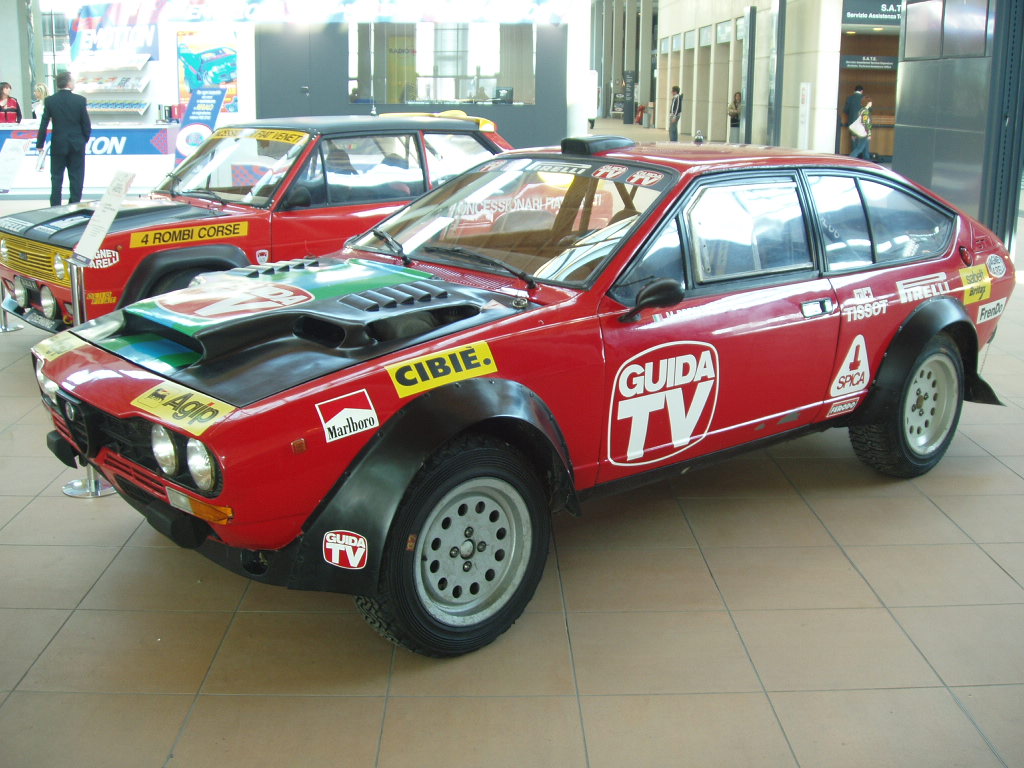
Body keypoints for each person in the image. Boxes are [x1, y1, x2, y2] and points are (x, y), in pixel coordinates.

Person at [35, 71, 91, 207]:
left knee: (56, 177)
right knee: (76, 177)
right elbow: (86, 124)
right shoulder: (80, 100)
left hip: (58, 144)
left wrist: (40, 143)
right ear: (69, 82)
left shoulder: (50, 101)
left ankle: (55, 207)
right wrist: (83, 140)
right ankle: (74, 204)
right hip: (76, 145)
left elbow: (44, 123)